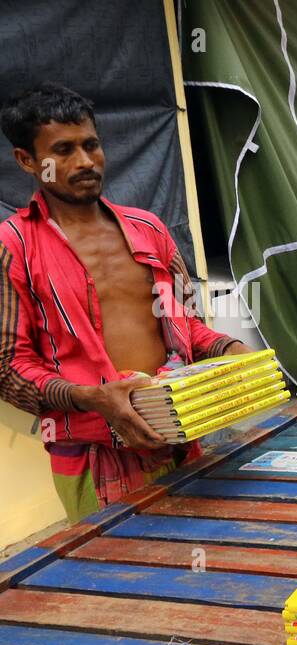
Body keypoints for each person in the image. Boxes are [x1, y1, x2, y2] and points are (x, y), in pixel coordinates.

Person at [0, 83, 252, 521]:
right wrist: (94, 398)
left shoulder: (148, 229)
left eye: (91, 145)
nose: (84, 162)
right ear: (26, 160)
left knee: (205, 555)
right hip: (95, 456)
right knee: (121, 580)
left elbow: (184, 326)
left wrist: (227, 349)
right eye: (62, 150)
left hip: (182, 433)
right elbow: (7, 367)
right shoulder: (14, 246)